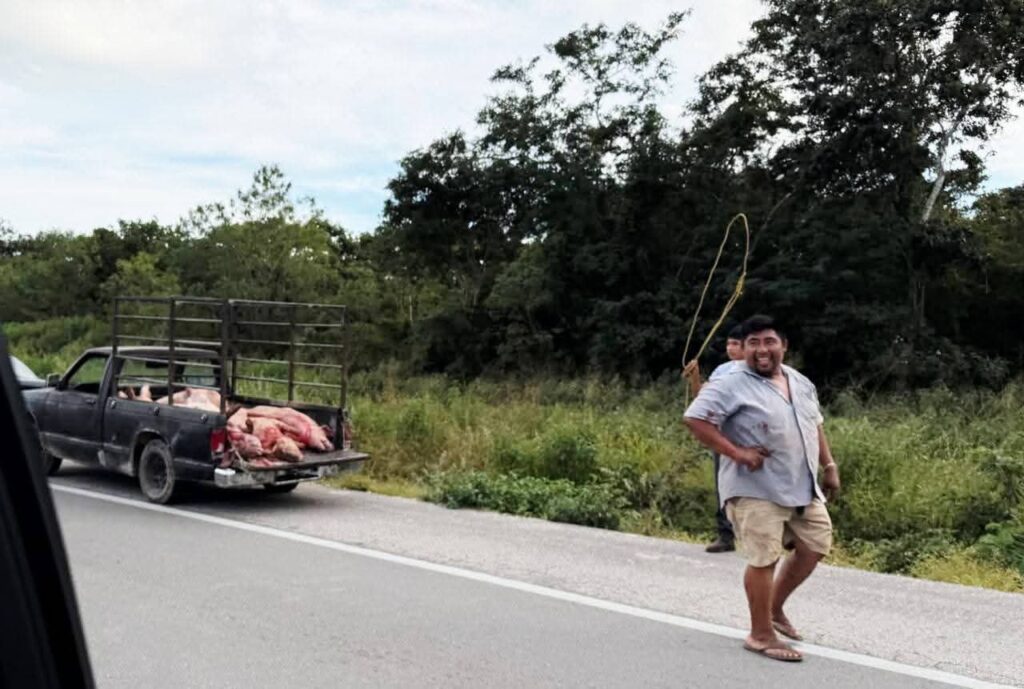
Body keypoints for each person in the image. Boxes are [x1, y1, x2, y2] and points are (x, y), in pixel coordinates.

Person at [683, 315, 840, 663]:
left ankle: (774, 608)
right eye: (753, 343)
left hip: (800, 483)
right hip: (754, 487)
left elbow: (814, 424)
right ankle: (760, 634)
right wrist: (737, 453)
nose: (762, 349)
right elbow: (695, 418)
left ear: (783, 345)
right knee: (764, 556)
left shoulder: (800, 382)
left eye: (769, 341)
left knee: (815, 544)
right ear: (744, 349)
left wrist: (829, 466)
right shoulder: (730, 381)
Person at [682, 324, 745, 553]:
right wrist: (695, 376)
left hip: (748, 435)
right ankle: (726, 534)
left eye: (735, 344)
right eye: (728, 343)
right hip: (723, 435)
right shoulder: (721, 370)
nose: (730, 348)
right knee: (723, 484)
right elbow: (702, 398)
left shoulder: (756, 370)